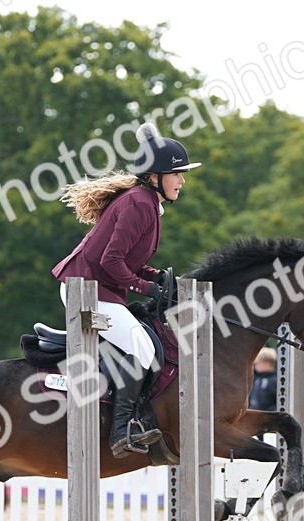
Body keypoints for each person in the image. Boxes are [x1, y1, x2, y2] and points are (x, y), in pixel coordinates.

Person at [53, 121, 199, 457]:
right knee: (142, 348)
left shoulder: (146, 202)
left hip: (98, 287)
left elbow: (125, 260)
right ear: (155, 176)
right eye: (177, 174)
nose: (182, 180)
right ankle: (121, 431)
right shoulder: (139, 203)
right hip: (87, 290)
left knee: (143, 344)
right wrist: (146, 288)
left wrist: (155, 276)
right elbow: (111, 261)